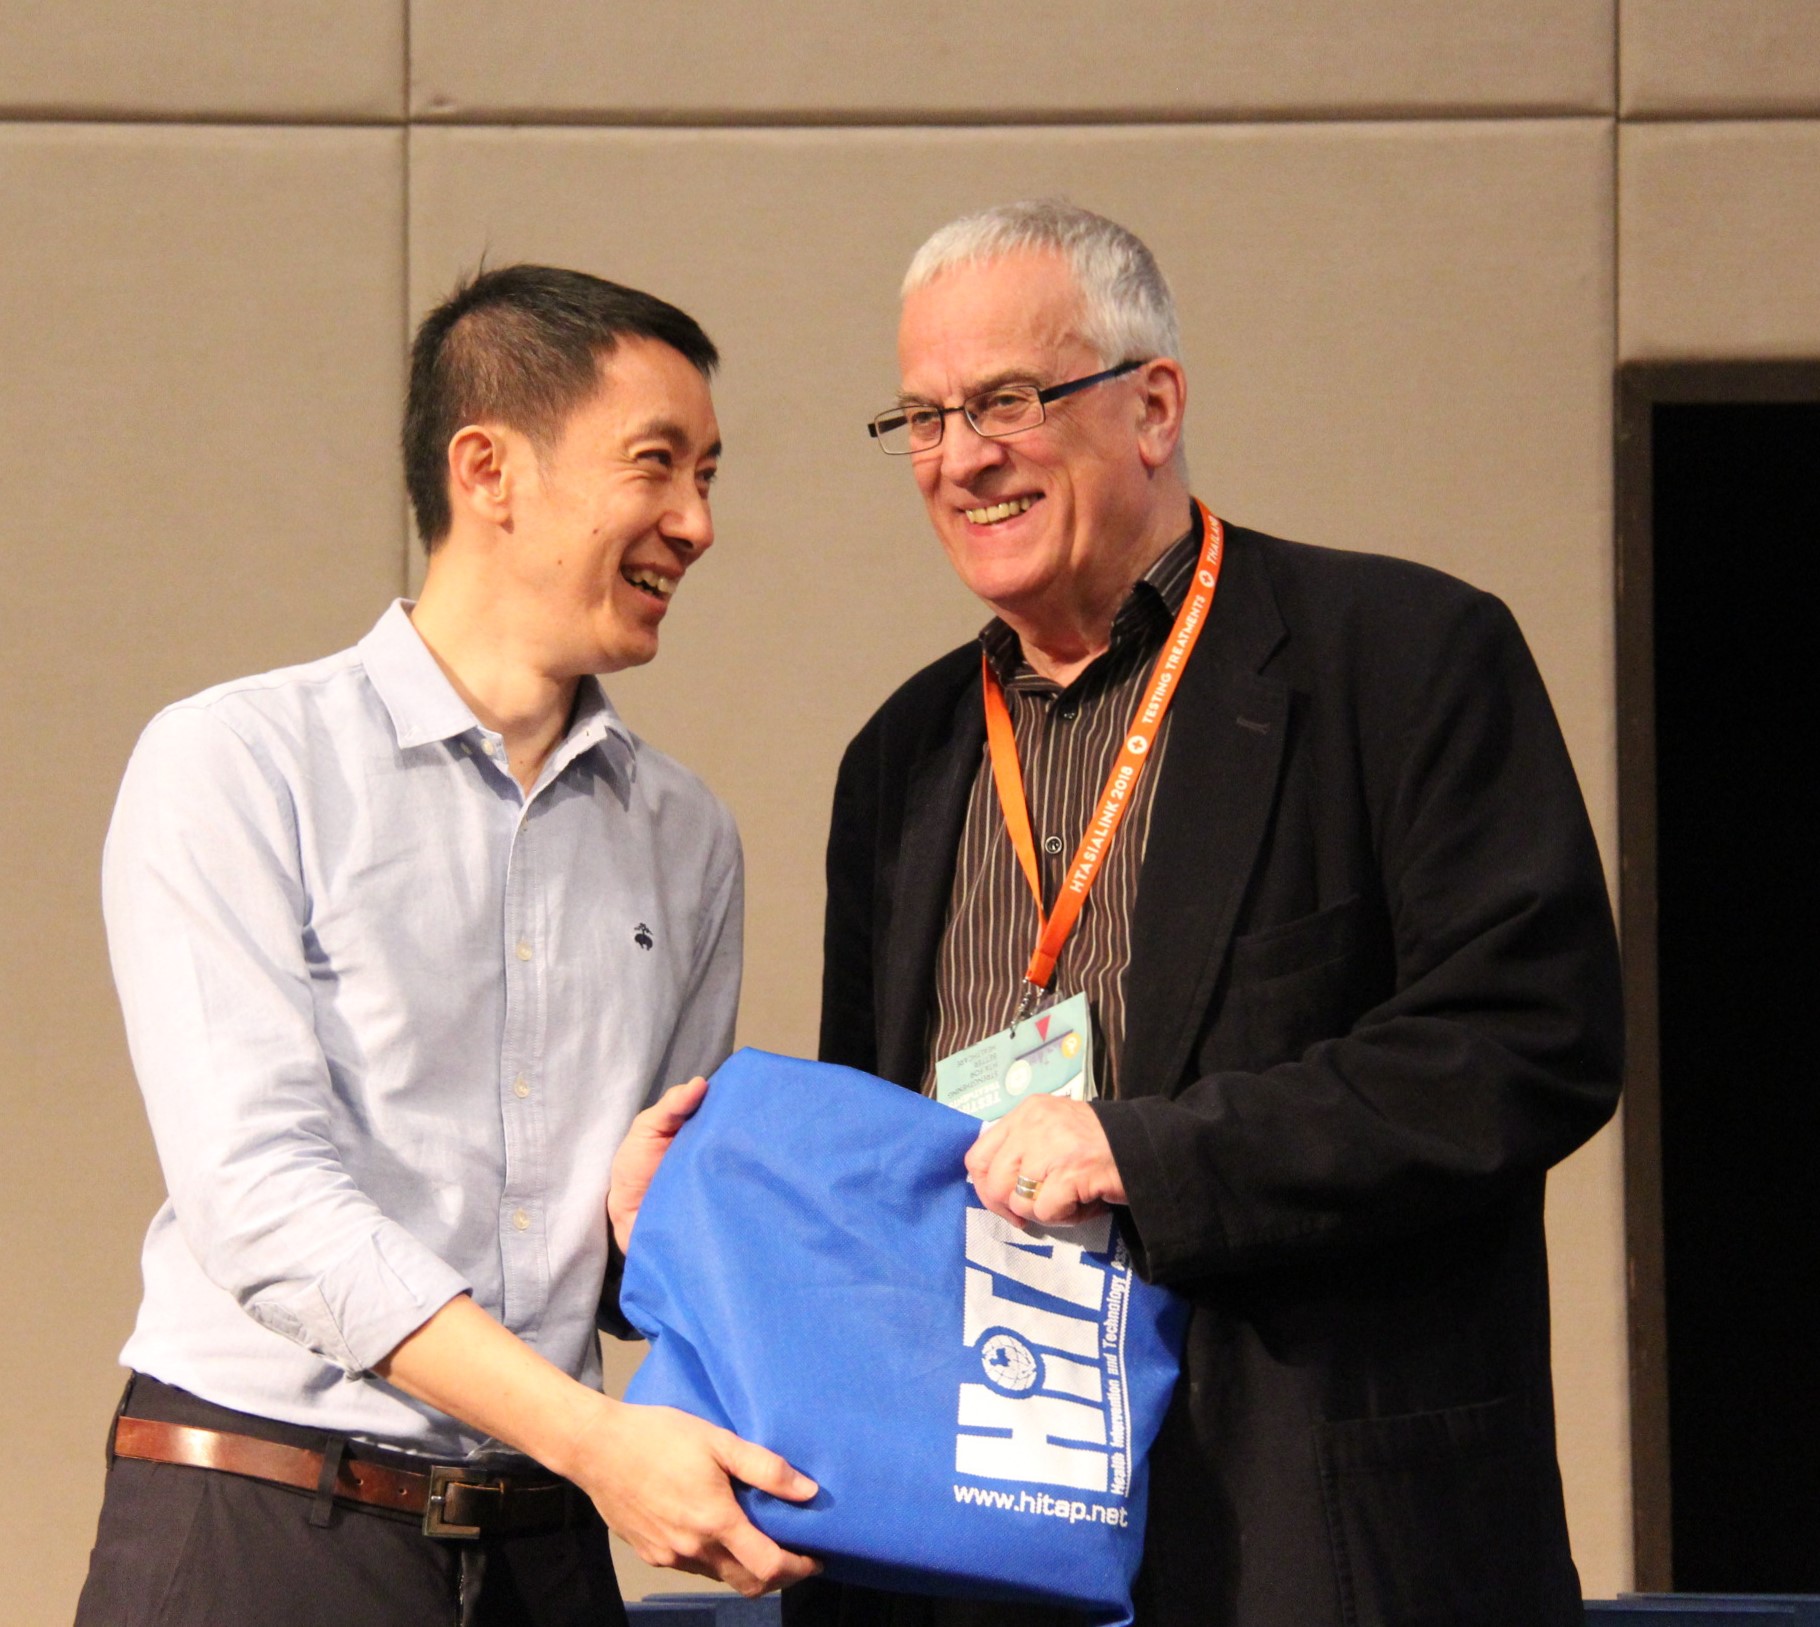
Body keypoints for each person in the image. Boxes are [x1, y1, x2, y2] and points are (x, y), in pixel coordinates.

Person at [801, 202, 1623, 1626]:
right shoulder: (900, 761)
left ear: (1154, 405)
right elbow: (878, 1145)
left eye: (1008, 400)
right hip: (991, 1548)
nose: (961, 457)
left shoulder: (1403, 660)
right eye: (923, 418)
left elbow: (1525, 1044)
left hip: (1313, 1551)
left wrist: (1149, 1154)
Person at [77, 265, 817, 1627]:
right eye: (656, 463)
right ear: (488, 471)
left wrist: (649, 1230)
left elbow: (624, 1280)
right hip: (264, 1524)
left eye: (709, 476)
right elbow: (262, 1202)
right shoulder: (238, 762)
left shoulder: (688, 836)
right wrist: (597, 1440)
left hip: (546, 1546)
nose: (697, 523)